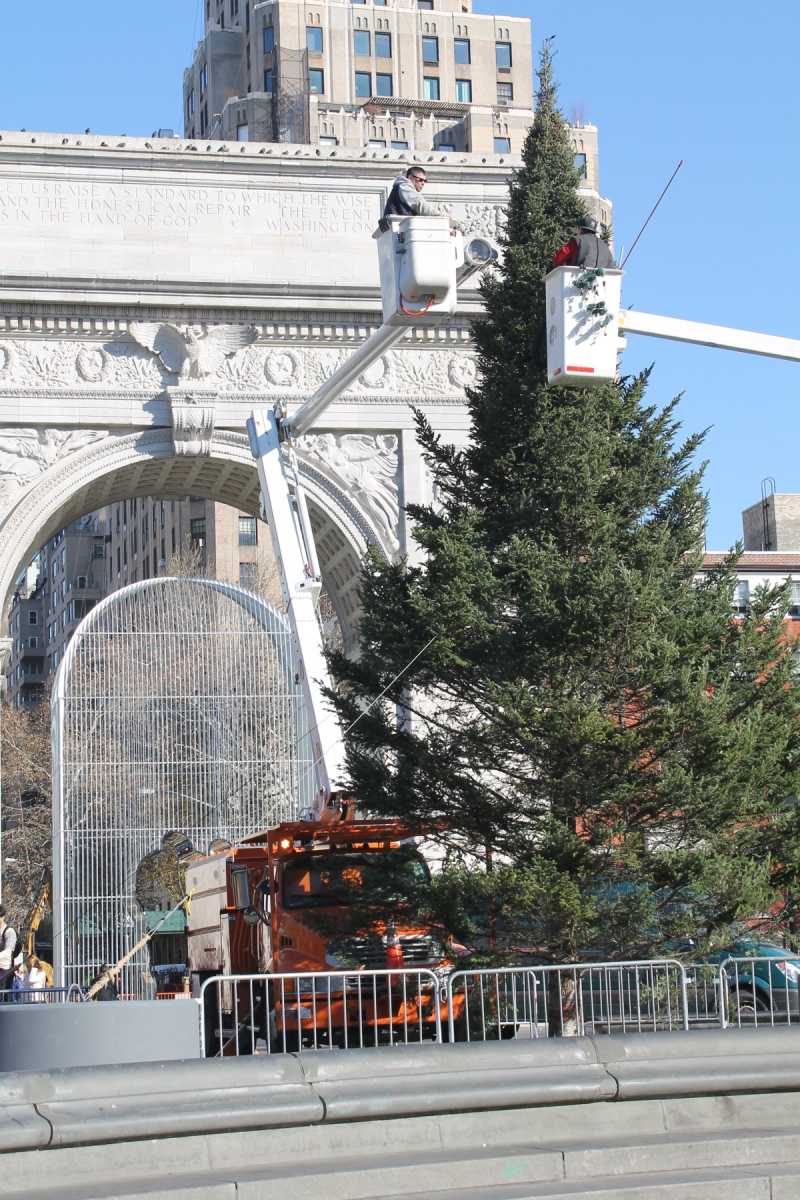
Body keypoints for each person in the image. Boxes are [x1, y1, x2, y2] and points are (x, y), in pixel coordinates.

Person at [380, 167, 461, 232]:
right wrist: (443, 218)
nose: (423, 183)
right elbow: (420, 205)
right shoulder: (404, 186)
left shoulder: (402, 187)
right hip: (400, 231)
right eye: (420, 180)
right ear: (410, 177)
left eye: (425, 181)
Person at [0, 907, 19, 1000]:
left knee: (4, 999)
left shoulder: (9, 932)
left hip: (5, 972)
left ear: (3, 917)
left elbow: (8, 952)